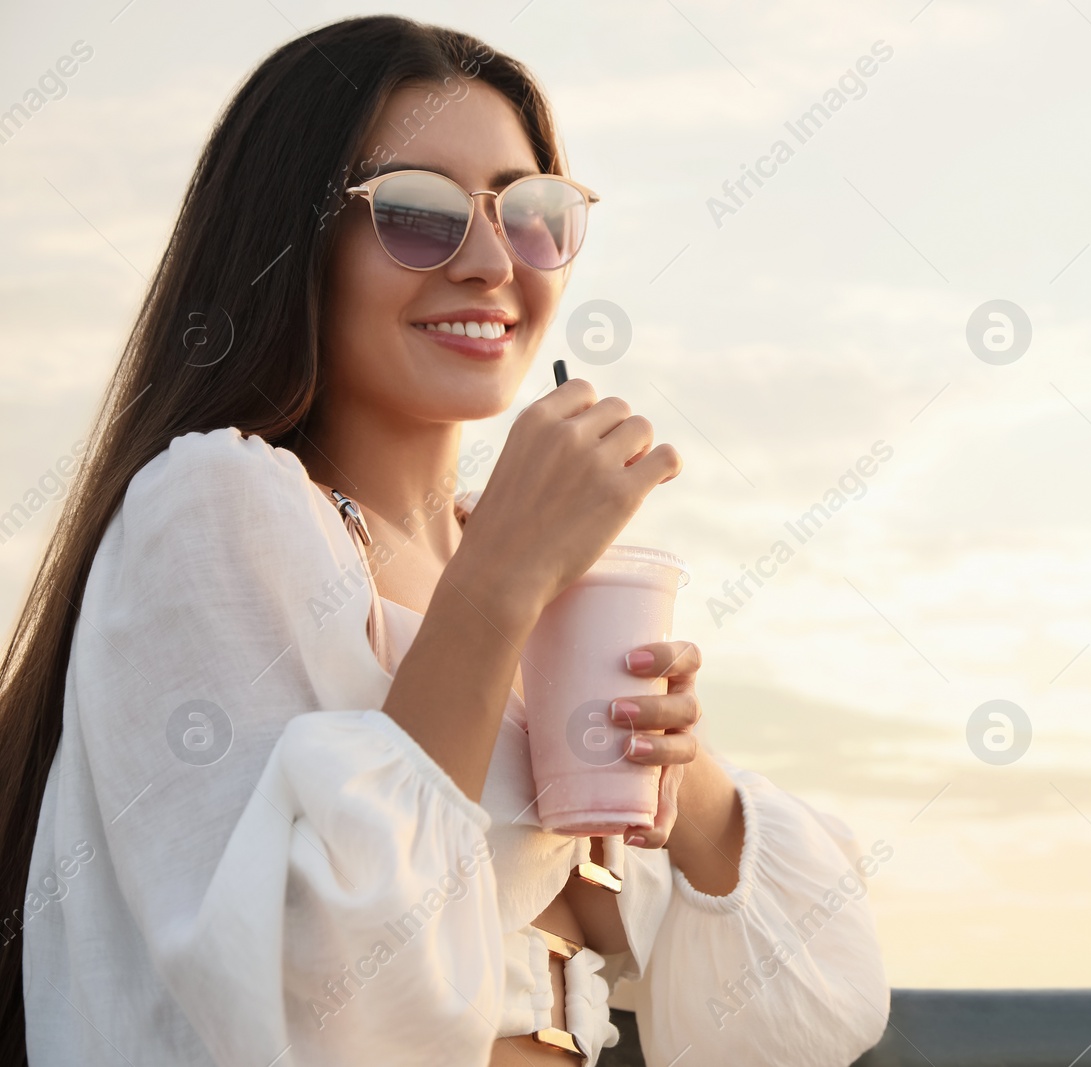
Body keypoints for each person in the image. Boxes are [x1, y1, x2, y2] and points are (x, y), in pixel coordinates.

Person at [0, 15, 889, 1066]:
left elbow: (812, 1014)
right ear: (291, 241)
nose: (488, 262)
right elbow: (311, 1005)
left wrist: (678, 769)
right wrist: (499, 581)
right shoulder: (216, 502)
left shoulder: (541, 582)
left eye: (532, 215)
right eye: (416, 213)